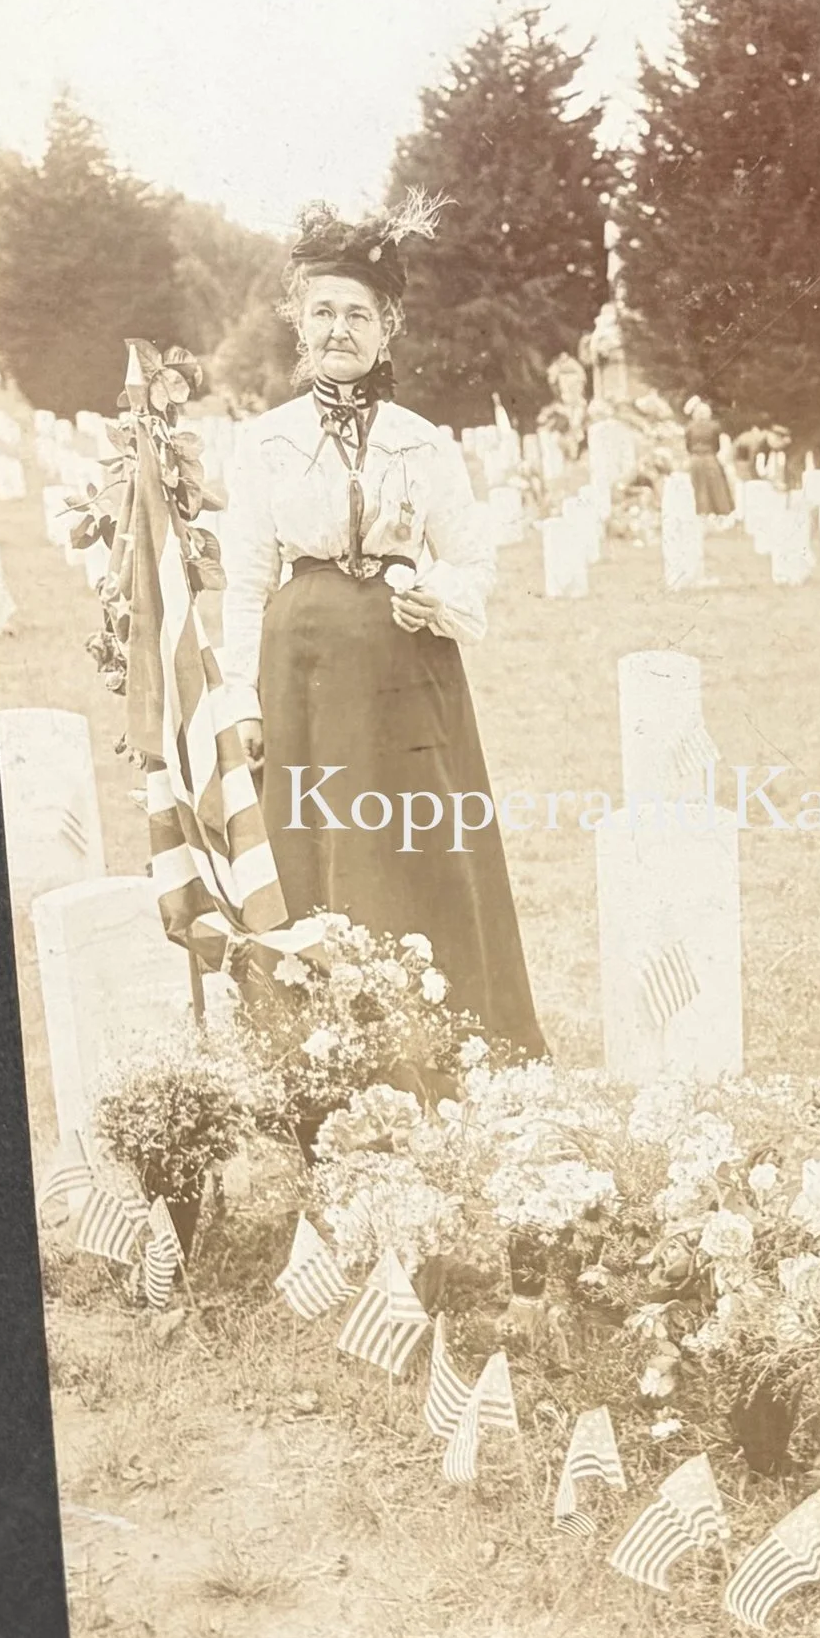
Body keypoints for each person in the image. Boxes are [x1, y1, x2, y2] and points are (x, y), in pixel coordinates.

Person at [222, 200, 543, 1054]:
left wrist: (433, 591)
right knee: (316, 845)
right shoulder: (264, 445)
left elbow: (475, 564)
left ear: (388, 327)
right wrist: (240, 701)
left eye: (358, 314)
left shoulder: (423, 444)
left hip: (410, 676)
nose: (338, 329)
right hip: (304, 676)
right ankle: (323, 1050)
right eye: (322, 311)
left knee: (416, 843)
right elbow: (247, 578)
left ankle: (444, 1043)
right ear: (298, 321)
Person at [681, 394, 737, 515]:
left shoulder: (689, 427)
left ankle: (702, 512)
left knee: (699, 486)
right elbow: (717, 444)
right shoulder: (714, 426)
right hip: (710, 457)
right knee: (716, 486)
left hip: (695, 459)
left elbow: (687, 445)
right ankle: (721, 511)